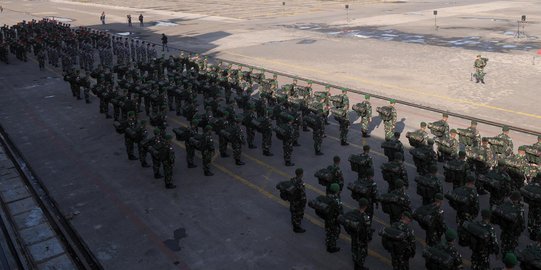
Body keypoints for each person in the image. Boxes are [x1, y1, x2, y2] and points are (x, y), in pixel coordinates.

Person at [351, 198, 372, 270]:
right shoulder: (365, 217)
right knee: (362, 254)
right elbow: (367, 230)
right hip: (361, 239)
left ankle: (356, 266)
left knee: (354, 251)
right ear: (365, 206)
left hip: (354, 236)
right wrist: (369, 237)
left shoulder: (354, 212)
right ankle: (359, 267)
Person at [325, 183, 343, 253]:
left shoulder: (328, 196)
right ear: (337, 191)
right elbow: (340, 211)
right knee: (334, 232)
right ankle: (331, 247)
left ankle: (328, 242)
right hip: (334, 219)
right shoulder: (337, 200)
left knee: (328, 231)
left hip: (327, 218)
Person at [289, 168, 307, 233]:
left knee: (293, 212)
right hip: (298, 202)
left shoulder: (292, 179)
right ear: (301, 174)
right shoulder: (301, 183)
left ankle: (293, 222)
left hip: (293, 201)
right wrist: (304, 203)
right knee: (298, 214)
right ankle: (296, 227)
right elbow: (302, 194)